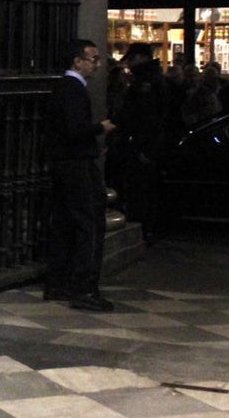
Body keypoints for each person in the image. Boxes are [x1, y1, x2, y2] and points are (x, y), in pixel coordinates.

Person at [43, 39, 118, 311]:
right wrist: (101, 128)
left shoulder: (64, 87)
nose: (97, 64)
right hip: (76, 164)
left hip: (64, 163)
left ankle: (57, 282)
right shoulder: (73, 89)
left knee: (64, 222)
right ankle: (84, 287)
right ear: (77, 61)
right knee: (90, 222)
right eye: (93, 58)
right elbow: (75, 130)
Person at [110, 42, 168, 243]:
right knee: (143, 189)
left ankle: (142, 228)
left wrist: (143, 148)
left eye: (132, 58)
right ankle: (145, 227)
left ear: (141, 58)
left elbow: (146, 118)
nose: (129, 63)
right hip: (144, 145)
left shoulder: (146, 82)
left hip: (141, 146)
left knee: (140, 190)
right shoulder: (150, 79)